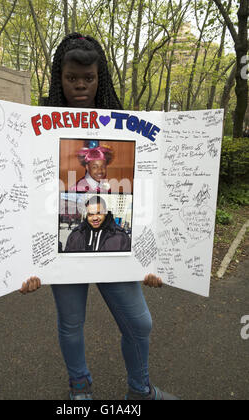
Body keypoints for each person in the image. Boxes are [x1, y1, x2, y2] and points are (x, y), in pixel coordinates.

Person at [21, 33, 178, 401]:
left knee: (140, 323)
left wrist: (151, 259)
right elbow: (23, 196)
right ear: (59, 77)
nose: (79, 85)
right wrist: (21, 265)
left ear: (100, 77)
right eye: (71, 77)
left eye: (88, 78)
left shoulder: (122, 123)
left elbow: (150, 196)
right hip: (66, 252)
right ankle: (80, 389)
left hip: (116, 250)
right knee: (71, 325)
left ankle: (140, 390)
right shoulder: (37, 125)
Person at [65, 196, 130, 253]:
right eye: (91, 214)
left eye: (99, 213)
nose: (95, 218)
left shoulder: (120, 237)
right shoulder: (76, 235)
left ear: (105, 212)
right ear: (87, 215)